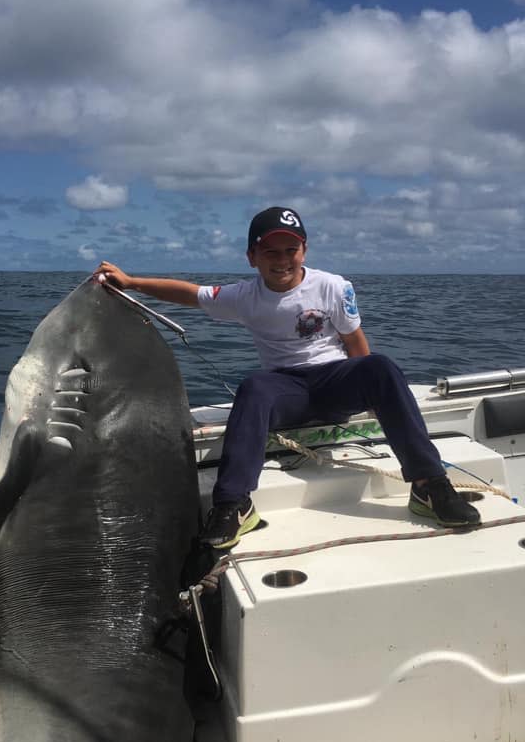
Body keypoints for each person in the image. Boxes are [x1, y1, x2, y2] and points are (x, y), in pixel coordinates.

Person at [95, 206, 481, 548]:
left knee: (379, 366)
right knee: (254, 387)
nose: (282, 260)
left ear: (304, 251)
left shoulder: (332, 286)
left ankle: (430, 485)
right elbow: (191, 294)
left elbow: (355, 342)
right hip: (286, 390)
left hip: (335, 382)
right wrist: (130, 283)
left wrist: (375, 398)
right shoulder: (244, 296)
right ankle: (233, 504)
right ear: (252, 257)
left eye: (290, 250)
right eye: (271, 251)